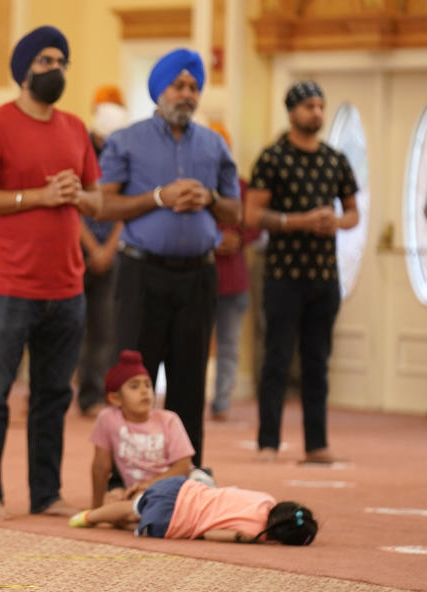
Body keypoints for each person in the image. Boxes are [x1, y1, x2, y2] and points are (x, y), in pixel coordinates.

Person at [0, 26, 102, 520]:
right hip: (8, 285)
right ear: (23, 71)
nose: (55, 69)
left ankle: (46, 493)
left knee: (55, 395)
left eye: (61, 60)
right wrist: (36, 197)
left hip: (66, 285)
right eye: (44, 61)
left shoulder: (75, 129)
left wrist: (77, 194)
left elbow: (97, 200)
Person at [99, 48, 241, 467]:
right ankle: (122, 475)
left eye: (194, 87)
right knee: (133, 376)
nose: (187, 94)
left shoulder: (215, 143)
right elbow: (103, 206)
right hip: (142, 273)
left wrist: (210, 197)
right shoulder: (126, 140)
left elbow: (235, 211)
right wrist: (158, 197)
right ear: (159, 90)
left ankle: (186, 472)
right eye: (178, 86)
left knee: (190, 378)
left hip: (198, 277)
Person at [246, 81, 359, 464]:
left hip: (323, 276)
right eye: (309, 106)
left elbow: (353, 212)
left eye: (321, 106)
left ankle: (316, 443)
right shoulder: (272, 158)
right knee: (276, 359)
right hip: (282, 275)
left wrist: (336, 223)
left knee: (317, 361)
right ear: (292, 111)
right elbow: (252, 215)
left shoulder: (335, 159)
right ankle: (268, 442)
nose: (317, 113)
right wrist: (300, 221)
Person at [69, 476, 318, 548]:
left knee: (134, 508)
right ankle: (109, 522)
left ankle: (90, 516)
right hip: (173, 521)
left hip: (181, 489)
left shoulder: (266, 499)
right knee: (139, 521)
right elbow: (213, 535)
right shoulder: (256, 533)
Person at [88, 350, 196, 510]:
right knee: (120, 506)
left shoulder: (169, 420)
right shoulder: (108, 419)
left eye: (148, 384)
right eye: (134, 386)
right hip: (141, 494)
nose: (144, 391)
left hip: (178, 485)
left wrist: (147, 485)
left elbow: (182, 468)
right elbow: (100, 466)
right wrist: (96, 506)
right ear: (115, 398)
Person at [77, 85, 126, 415]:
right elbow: (72, 206)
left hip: (112, 252)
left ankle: (94, 396)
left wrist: (108, 248)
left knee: (104, 329)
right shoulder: (79, 154)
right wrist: (92, 247)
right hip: (77, 250)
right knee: (70, 326)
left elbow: (126, 207)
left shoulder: (127, 157)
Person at [207, 123, 259, 420]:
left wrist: (239, 238)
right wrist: (214, 240)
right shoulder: (194, 189)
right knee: (195, 345)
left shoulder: (243, 188)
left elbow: (255, 225)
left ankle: (222, 402)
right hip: (200, 279)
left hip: (234, 280)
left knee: (229, 345)